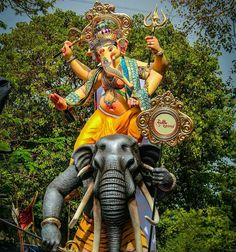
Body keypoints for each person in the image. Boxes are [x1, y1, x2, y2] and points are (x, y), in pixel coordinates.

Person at [49, 2, 168, 152]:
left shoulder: (132, 65)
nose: (106, 55)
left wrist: (158, 53)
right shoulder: (101, 72)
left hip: (128, 119)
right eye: (101, 53)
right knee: (80, 148)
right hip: (102, 117)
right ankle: (75, 173)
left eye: (110, 49)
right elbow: (86, 89)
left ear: (121, 46)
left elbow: (157, 71)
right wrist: (65, 103)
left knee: (135, 152)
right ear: (98, 57)